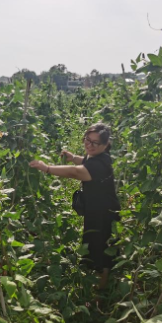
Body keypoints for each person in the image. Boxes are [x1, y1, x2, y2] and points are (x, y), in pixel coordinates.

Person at [29, 123, 120, 289]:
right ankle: (96, 281)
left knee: (101, 247)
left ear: (105, 145)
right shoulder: (99, 157)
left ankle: (101, 288)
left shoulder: (100, 165)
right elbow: (85, 160)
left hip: (104, 213)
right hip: (97, 209)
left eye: (95, 143)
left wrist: (47, 168)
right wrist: (73, 157)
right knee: (95, 243)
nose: (89, 145)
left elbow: (75, 172)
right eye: (87, 139)